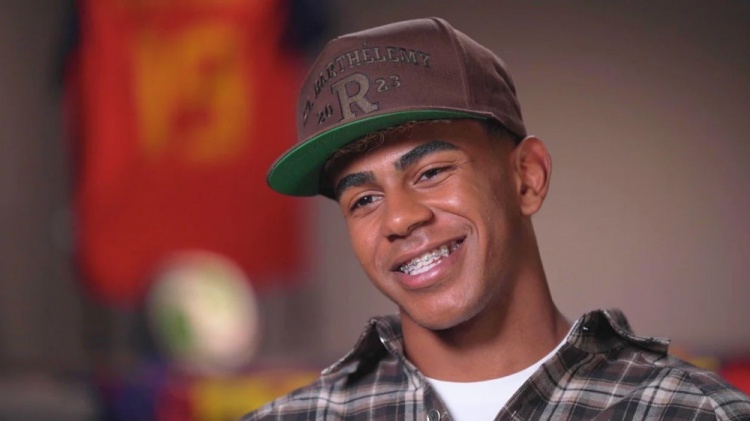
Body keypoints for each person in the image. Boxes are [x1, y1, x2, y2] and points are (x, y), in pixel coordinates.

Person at [243, 17, 750, 420]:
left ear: (527, 177)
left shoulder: (693, 413)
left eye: (431, 172)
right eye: (364, 200)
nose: (398, 219)